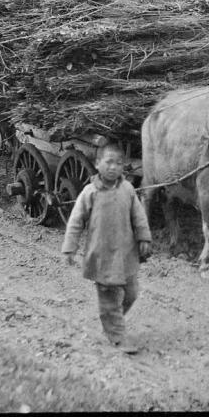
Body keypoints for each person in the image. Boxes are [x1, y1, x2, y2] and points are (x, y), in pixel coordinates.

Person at [62, 144, 152, 355]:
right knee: (109, 297)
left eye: (118, 163)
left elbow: (139, 216)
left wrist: (144, 237)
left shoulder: (128, 190)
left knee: (131, 294)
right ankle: (117, 336)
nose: (113, 167)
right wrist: (70, 248)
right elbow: (75, 221)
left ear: (123, 167)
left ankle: (111, 322)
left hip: (125, 255)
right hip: (101, 256)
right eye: (108, 162)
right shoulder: (90, 192)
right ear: (97, 163)